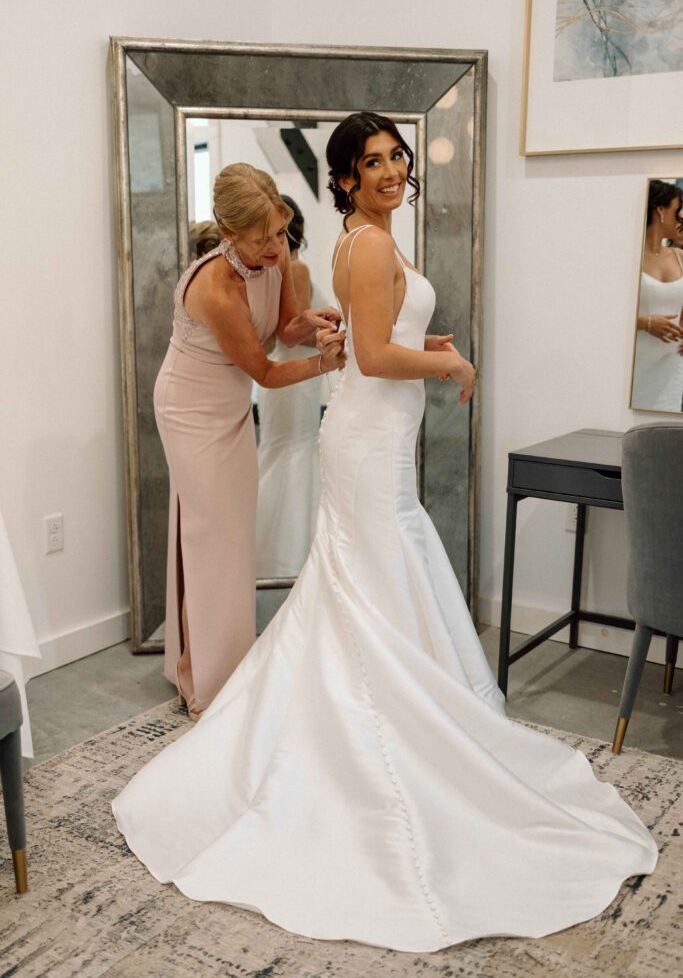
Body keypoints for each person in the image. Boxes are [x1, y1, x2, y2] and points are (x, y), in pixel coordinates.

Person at [114, 114, 657, 953]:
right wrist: (449, 362)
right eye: (372, 162)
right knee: (369, 582)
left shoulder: (366, 243)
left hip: (374, 439)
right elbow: (368, 356)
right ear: (343, 180)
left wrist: (423, 340)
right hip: (367, 443)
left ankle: (376, 723)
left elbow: (377, 333)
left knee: (368, 585)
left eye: (397, 156)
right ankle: (366, 750)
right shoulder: (363, 246)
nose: (391, 170)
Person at [154, 164, 343, 720]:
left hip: (230, 406)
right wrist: (322, 363)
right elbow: (263, 370)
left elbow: (282, 329)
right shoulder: (213, 287)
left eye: (280, 234)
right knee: (215, 536)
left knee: (230, 538)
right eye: (261, 239)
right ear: (229, 232)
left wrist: (310, 321)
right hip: (189, 409)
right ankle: (208, 685)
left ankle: (212, 662)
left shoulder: (274, 250)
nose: (274, 247)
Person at [255, 195, 326, 577]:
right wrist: (340, 341)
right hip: (294, 373)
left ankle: (267, 554)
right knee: (294, 452)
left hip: (280, 375)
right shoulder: (295, 269)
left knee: (280, 450)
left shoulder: (268, 272)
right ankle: (290, 560)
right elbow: (294, 335)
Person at [631, 179, 683, 411]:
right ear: (660, 210)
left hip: (671, 364)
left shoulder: (681, 257)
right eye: (677, 209)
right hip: (633, 365)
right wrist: (646, 323)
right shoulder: (629, 256)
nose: (681, 216)